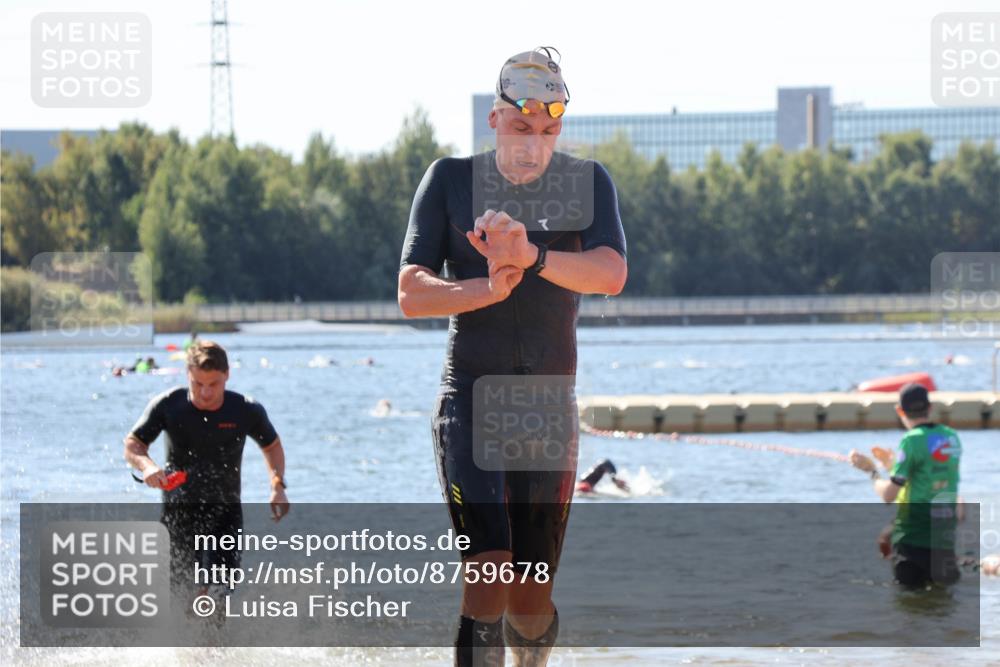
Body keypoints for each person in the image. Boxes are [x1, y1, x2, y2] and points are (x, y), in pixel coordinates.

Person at [399, 46, 626, 667]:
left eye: (549, 131)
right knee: (488, 571)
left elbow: (610, 274)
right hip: (470, 398)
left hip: (548, 410)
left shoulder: (588, 182)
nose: (535, 145)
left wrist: (535, 260)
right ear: (495, 118)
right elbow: (411, 292)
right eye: (523, 127)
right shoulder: (449, 179)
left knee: (529, 599)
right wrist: (484, 288)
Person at [123, 340, 290, 608]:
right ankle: (182, 649)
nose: (205, 393)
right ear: (187, 374)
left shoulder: (245, 409)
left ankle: (214, 650)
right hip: (179, 515)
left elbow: (272, 446)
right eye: (197, 384)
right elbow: (133, 444)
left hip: (225, 515)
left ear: (227, 375)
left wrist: (277, 484)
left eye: (213, 384)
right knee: (182, 599)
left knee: (216, 596)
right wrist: (148, 466)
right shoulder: (169, 405)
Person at [849, 383, 962, 589]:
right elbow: (928, 475)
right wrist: (892, 464)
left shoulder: (911, 440)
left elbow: (889, 495)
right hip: (943, 539)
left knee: (909, 604)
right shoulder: (951, 437)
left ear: (900, 410)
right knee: (943, 603)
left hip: (913, 539)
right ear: (930, 407)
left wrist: (872, 472)